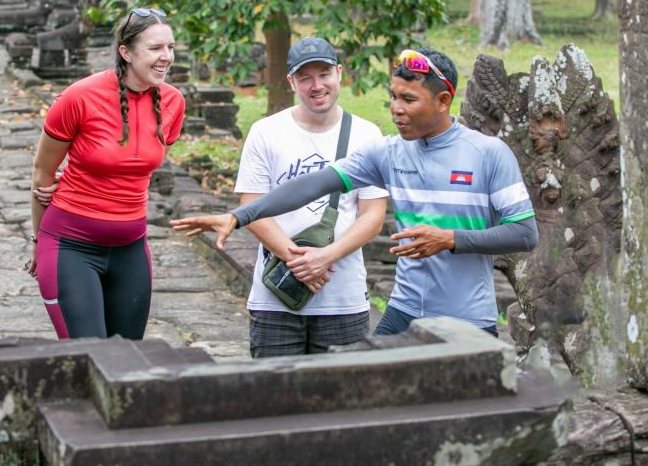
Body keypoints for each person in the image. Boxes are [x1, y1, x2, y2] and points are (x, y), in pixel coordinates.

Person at [172, 48, 537, 337]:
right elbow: (312, 185)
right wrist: (239, 216)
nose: (396, 110)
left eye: (408, 100)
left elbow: (524, 233)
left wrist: (450, 239)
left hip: (468, 319)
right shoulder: (388, 152)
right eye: (393, 97)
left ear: (443, 101)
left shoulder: (488, 154)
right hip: (402, 312)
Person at [27, 7, 185, 340]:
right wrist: (37, 241)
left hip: (131, 249)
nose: (166, 57)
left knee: (128, 363)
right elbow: (43, 171)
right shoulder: (78, 98)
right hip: (70, 248)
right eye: (156, 48)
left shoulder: (173, 102)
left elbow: (138, 168)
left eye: (171, 47)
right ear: (125, 52)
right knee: (91, 359)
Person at [235, 37, 388, 357]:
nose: (316, 85)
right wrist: (297, 259)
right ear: (291, 81)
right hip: (276, 296)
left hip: (342, 298)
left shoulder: (368, 135)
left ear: (340, 74)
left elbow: (373, 215)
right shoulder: (265, 132)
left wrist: (327, 256)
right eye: (305, 77)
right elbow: (251, 206)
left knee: (343, 402)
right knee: (275, 399)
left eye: (324, 74)